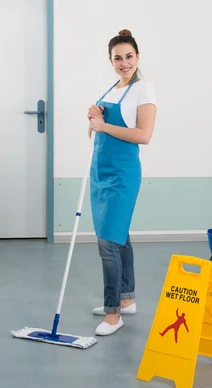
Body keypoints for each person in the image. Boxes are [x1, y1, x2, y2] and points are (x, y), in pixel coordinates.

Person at [87, 29, 157, 336]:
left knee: (107, 242)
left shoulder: (144, 90)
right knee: (119, 236)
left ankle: (113, 313)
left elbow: (144, 135)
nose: (124, 62)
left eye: (129, 56)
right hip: (100, 172)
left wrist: (104, 125)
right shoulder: (110, 89)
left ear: (137, 57)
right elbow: (95, 132)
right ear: (110, 61)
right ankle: (126, 298)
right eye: (118, 58)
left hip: (123, 174)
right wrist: (92, 121)